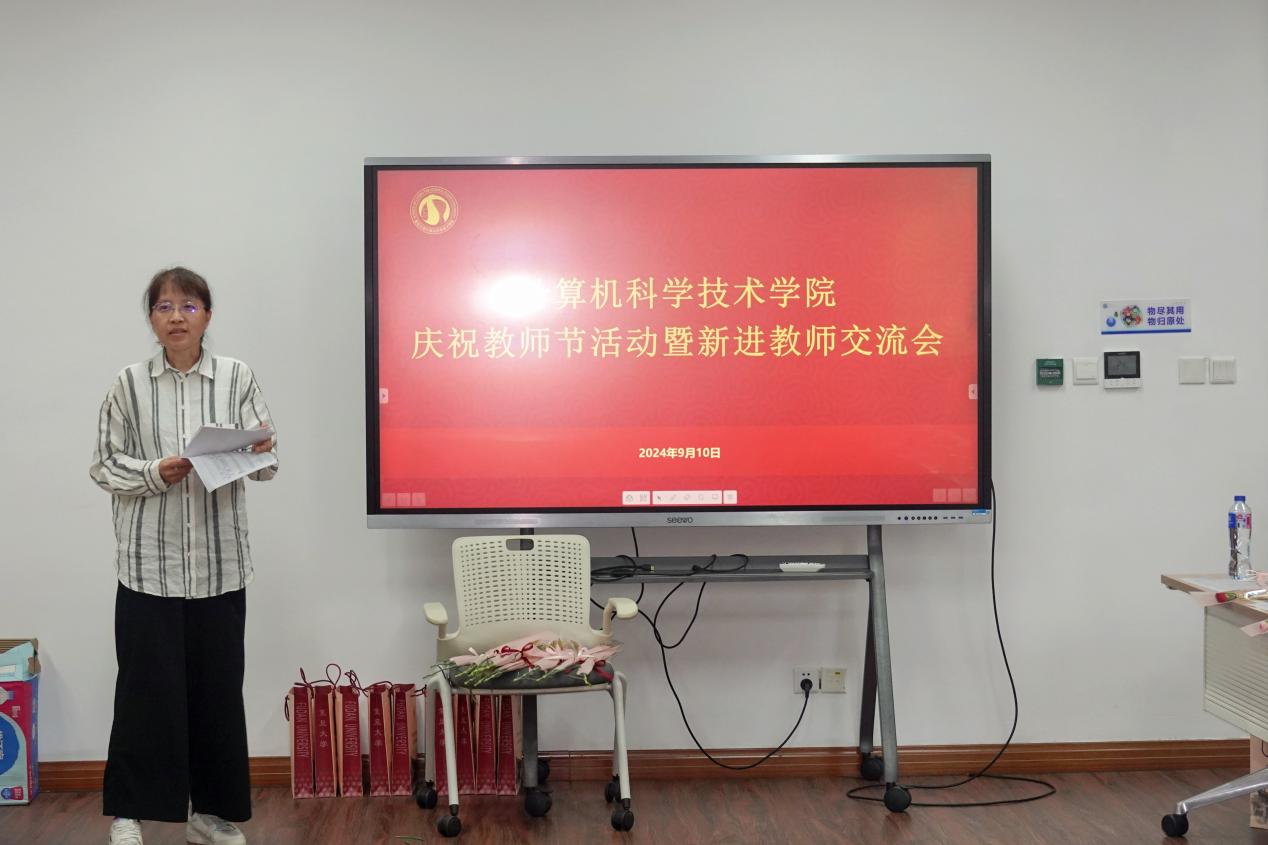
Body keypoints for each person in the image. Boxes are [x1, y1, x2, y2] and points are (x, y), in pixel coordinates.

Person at [89, 267, 277, 845]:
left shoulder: (237, 377)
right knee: (143, 695)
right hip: (149, 567)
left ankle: (210, 814)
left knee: (218, 695)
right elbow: (104, 465)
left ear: (207, 316)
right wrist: (156, 472)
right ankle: (129, 814)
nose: (177, 316)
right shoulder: (127, 384)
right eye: (165, 306)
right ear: (151, 318)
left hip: (220, 566)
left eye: (189, 306)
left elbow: (266, 461)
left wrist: (257, 448)